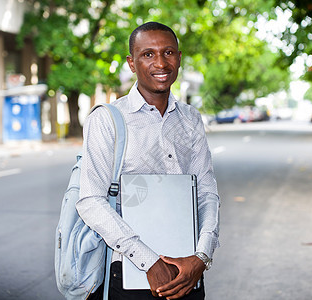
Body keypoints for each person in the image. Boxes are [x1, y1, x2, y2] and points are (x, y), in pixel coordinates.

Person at [77, 22, 220, 300]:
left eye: (168, 52)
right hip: (132, 273)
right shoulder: (107, 119)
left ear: (178, 58)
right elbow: (90, 200)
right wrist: (150, 262)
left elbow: (206, 191)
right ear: (132, 63)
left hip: (187, 272)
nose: (160, 63)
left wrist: (202, 256)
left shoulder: (190, 119)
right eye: (148, 54)